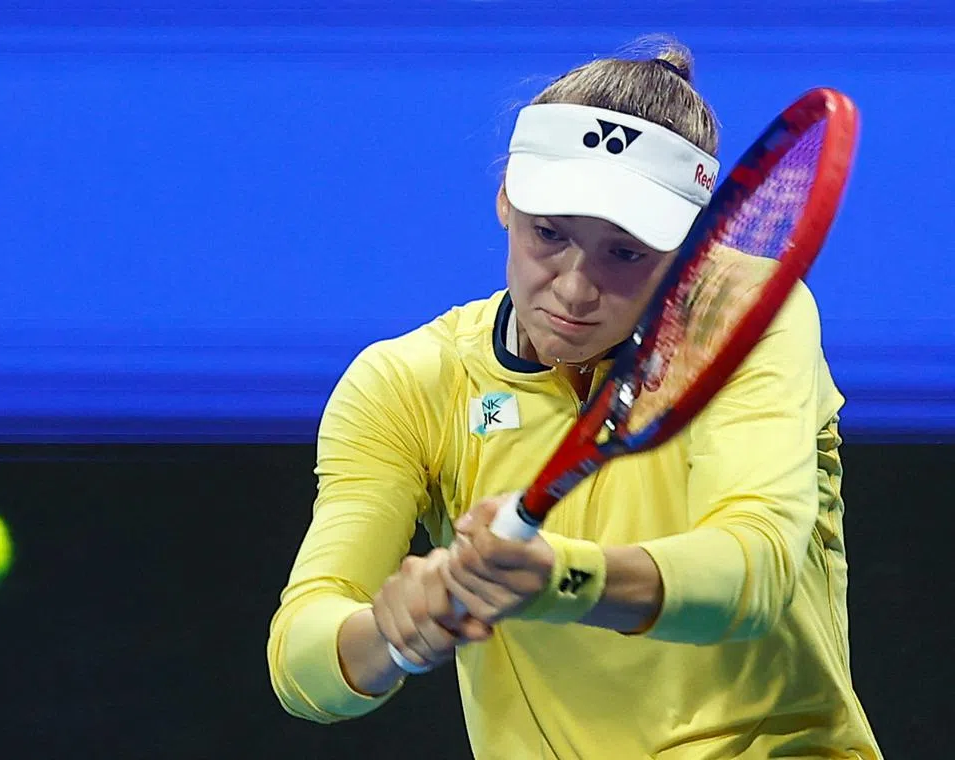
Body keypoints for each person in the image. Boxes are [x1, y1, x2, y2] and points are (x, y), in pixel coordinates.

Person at [267, 37, 883, 759]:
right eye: (548, 235)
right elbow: (301, 662)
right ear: (505, 199)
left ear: (691, 247)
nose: (574, 289)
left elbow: (751, 576)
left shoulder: (744, 316)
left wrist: (556, 577)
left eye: (625, 253)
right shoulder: (411, 380)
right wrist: (391, 634)